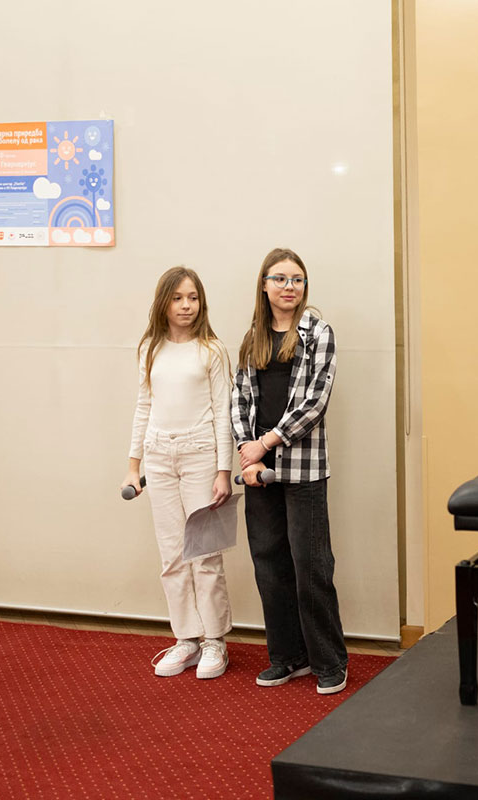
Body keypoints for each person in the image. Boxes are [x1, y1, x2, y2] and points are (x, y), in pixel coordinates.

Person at [232, 247, 349, 695]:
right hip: (257, 469)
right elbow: (240, 398)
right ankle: (288, 657)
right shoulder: (253, 337)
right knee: (270, 566)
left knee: (311, 566)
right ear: (264, 286)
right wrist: (247, 451)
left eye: (297, 279)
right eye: (279, 279)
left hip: (303, 470)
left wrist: (265, 443)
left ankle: (330, 661)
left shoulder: (318, 332)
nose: (289, 287)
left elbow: (315, 403)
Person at [123, 266, 234, 680]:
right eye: (177, 298)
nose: (186, 306)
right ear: (163, 303)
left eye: (193, 298)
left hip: (200, 454)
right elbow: (143, 406)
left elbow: (223, 413)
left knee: (203, 553)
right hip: (159, 456)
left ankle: (214, 640)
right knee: (172, 554)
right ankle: (186, 638)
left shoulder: (212, 350)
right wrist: (133, 466)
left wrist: (223, 470)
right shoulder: (150, 349)